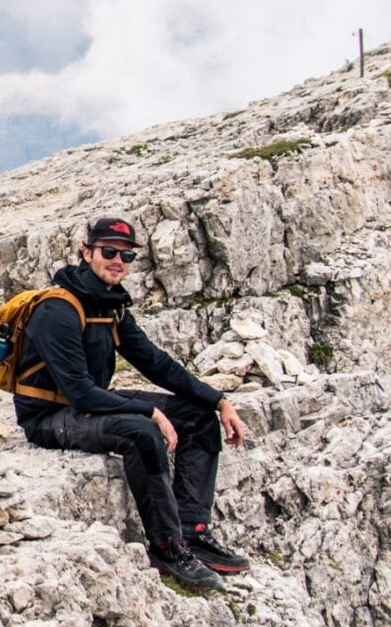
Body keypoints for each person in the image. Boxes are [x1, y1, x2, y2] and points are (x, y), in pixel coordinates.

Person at [13, 217, 251, 592]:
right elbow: (80, 392)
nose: (117, 261)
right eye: (108, 251)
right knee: (141, 432)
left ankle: (192, 531)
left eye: (126, 255)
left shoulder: (109, 306)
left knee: (197, 417)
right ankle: (167, 546)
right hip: (50, 416)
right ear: (86, 252)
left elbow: (156, 363)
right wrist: (150, 411)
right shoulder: (57, 310)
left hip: (88, 405)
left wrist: (218, 401)